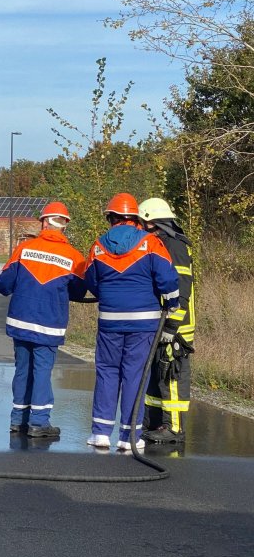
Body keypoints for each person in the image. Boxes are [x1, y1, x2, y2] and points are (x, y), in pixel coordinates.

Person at [84, 193, 180, 450]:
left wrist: (109, 294)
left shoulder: (98, 246)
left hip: (110, 321)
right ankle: (129, 438)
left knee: (107, 372)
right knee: (135, 375)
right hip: (144, 323)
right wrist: (172, 302)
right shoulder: (150, 243)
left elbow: (91, 280)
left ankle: (101, 433)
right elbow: (168, 279)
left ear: (111, 218)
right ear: (136, 218)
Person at [0, 201, 87, 438]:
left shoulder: (25, 248)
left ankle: (18, 420)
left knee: (22, 369)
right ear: (64, 226)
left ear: (44, 222)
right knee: (43, 370)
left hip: (20, 321)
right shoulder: (74, 257)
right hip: (49, 324)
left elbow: (3, 284)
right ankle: (39, 422)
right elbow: (79, 291)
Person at [139, 197, 195, 443]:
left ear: (152, 222)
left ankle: (174, 428)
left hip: (177, 327)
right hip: (162, 322)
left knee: (171, 375)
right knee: (157, 374)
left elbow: (182, 290)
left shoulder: (174, 245)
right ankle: (154, 421)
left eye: (141, 222)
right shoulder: (160, 243)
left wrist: (172, 326)